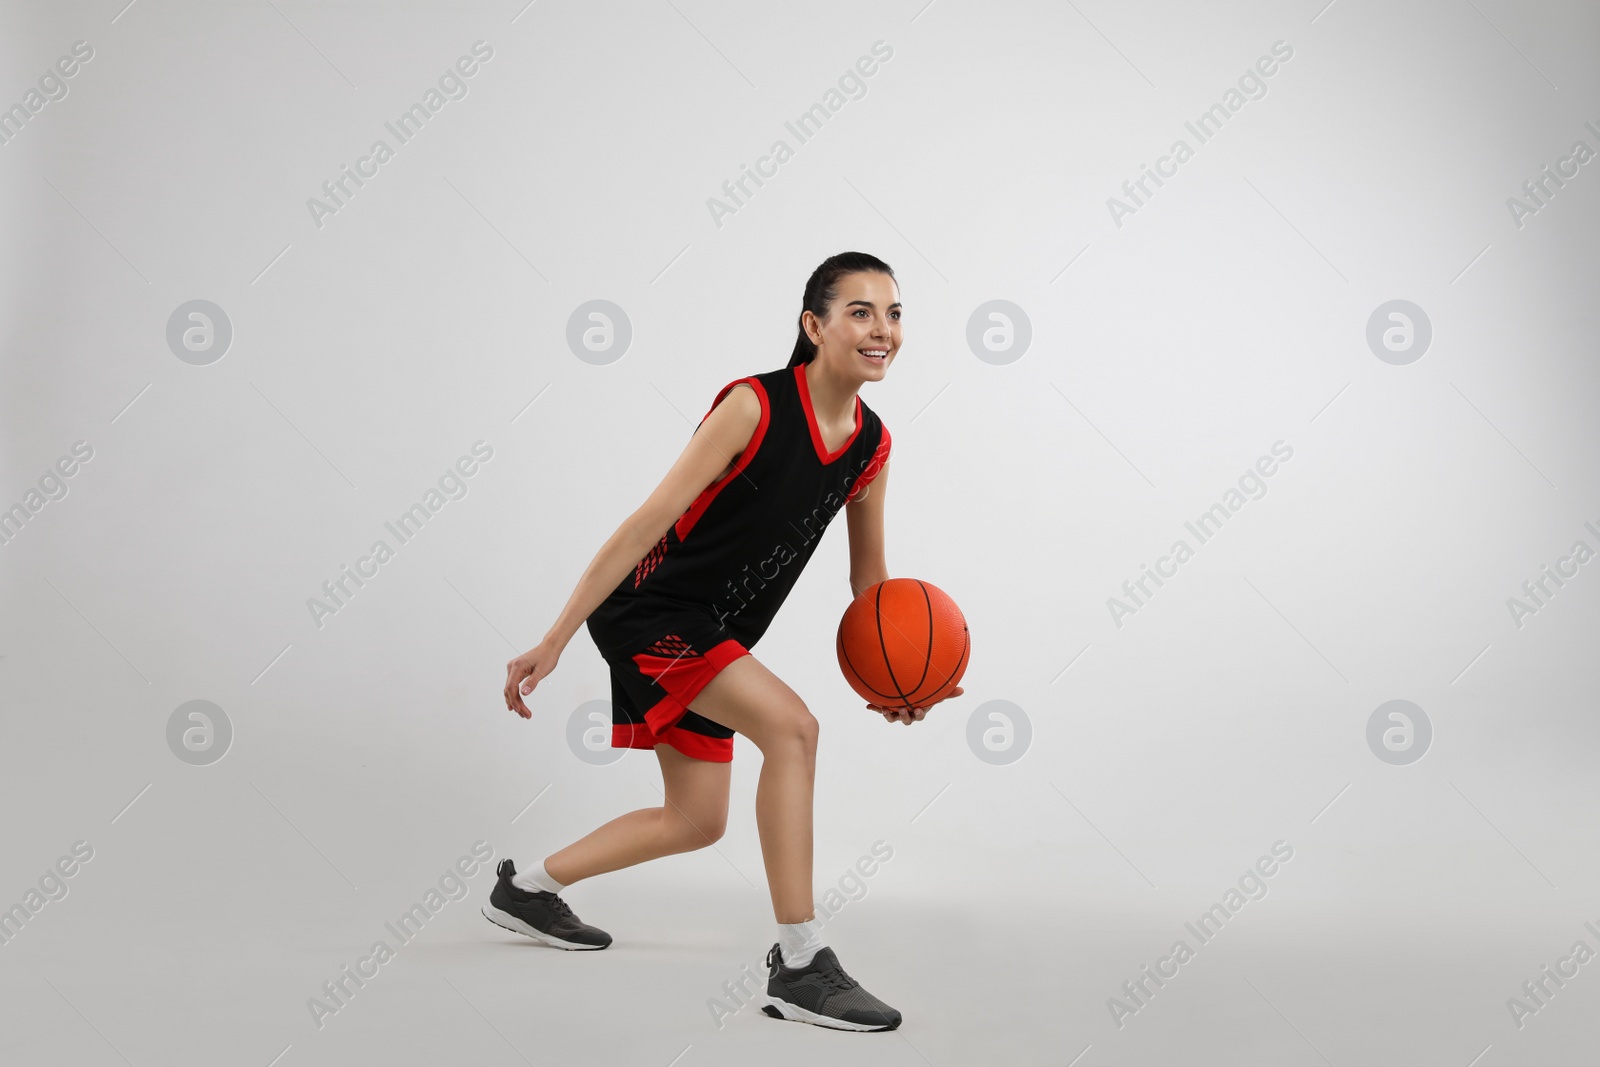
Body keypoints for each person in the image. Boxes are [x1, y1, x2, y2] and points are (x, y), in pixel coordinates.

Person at [488, 251, 963, 1032]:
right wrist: (556, 636)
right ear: (814, 325)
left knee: (696, 820)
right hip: (650, 611)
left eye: (895, 313)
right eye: (860, 312)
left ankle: (527, 889)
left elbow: (870, 582)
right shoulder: (753, 405)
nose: (883, 330)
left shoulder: (871, 446)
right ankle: (801, 962)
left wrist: (897, 681)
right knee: (793, 728)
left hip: (715, 629)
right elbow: (648, 520)